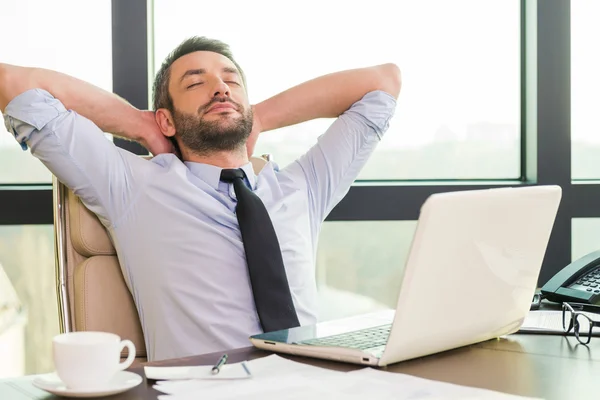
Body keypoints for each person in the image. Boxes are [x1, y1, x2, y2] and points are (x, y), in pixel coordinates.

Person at [0, 36, 401, 361]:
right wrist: (142, 126)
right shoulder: (132, 187)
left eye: (231, 81)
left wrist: (259, 116)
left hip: (314, 384)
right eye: (196, 83)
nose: (220, 87)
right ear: (167, 118)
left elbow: (384, 82)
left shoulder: (304, 188)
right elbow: (13, 84)